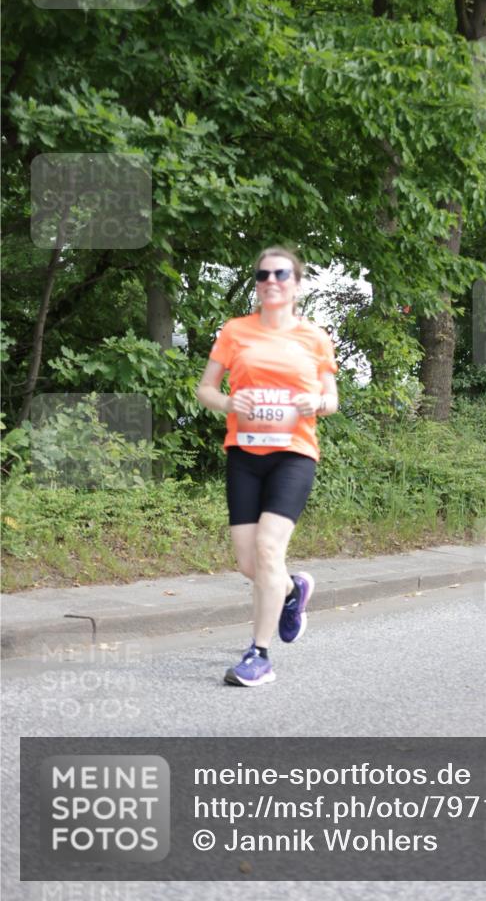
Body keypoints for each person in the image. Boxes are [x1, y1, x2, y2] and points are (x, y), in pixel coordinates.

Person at [196, 246, 338, 687]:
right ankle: (294, 590)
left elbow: (331, 400)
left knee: (268, 550)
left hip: (294, 454)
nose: (270, 281)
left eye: (280, 274)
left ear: (296, 284)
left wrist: (316, 401)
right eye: (262, 275)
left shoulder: (314, 337)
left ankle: (259, 655)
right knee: (247, 561)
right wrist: (227, 401)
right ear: (256, 284)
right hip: (244, 453)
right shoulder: (236, 331)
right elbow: (205, 389)